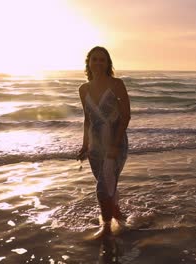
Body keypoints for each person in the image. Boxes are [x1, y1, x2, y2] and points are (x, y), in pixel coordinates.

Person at [76, 46, 131, 238]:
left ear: (108, 63)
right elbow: (87, 119)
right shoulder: (83, 89)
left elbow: (125, 117)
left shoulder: (117, 84)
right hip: (95, 146)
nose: (98, 63)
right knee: (108, 184)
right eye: (94, 59)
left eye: (102, 60)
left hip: (115, 143)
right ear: (88, 63)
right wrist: (84, 145)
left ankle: (107, 229)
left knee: (102, 189)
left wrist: (115, 145)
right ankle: (118, 215)